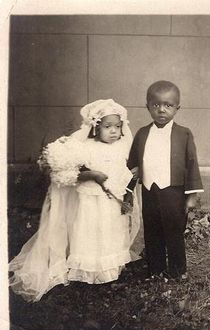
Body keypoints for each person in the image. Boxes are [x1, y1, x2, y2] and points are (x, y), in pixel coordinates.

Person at [9, 99, 142, 302]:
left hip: (111, 202)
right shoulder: (84, 147)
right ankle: (87, 268)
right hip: (90, 201)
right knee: (88, 230)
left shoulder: (122, 148)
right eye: (107, 127)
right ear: (95, 128)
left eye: (117, 126)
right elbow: (71, 174)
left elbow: (129, 175)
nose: (114, 131)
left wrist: (127, 194)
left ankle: (109, 269)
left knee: (111, 231)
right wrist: (91, 175)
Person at [125, 81, 203, 280]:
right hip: (150, 190)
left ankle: (178, 271)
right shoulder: (142, 133)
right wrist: (128, 188)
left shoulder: (183, 134)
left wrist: (191, 195)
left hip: (173, 192)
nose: (161, 110)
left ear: (177, 108)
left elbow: (191, 163)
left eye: (168, 105)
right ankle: (156, 269)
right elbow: (133, 164)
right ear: (148, 106)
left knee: (174, 231)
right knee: (152, 229)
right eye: (156, 105)